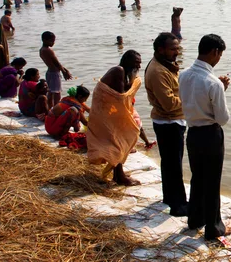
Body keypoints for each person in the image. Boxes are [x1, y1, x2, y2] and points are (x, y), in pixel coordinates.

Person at [178, 34, 231, 240]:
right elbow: (222, 117)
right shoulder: (213, 83)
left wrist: (220, 89)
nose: (219, 59)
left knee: (197, 177)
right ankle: (213, 227)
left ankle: (196, 218)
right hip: (210, 134)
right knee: (212, 180)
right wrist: (222, 91)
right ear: (214, 52)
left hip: (192, 132)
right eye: (219, 55)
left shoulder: (183, 75)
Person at [145, 32, 188, 217]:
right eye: (172, 49)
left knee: (171, 163)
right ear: (160, 49)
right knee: (173, 165)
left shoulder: (165, 65)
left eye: (177, 48)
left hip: (170, 121)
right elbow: (169, 104)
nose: (176, 52)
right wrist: (191, 99)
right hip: (168, 122)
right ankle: (178, 205)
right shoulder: (157, 71)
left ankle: (170, 197)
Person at [86, 50, 143, 186]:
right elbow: (120, 95)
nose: (138, 67)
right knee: (119, 139)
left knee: (119, 139)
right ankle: (119, 176)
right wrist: (134, 81)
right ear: (127, 61)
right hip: (103, 111)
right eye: (136, 63)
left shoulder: (125, 73)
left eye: (140, 64)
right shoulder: (119, 71)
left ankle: (118, 174)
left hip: (109, 110)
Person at [39, 31, 72, 107]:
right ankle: (56, 108)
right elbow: (57, 63)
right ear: (44, 40)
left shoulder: (42, 50)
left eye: (53, 41)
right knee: (57, 93)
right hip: (54, 73)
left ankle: (50, 107)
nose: (53, 43)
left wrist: (65, 69)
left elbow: (55, 63)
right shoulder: (48, 50)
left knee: (50, 92)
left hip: (49, 72)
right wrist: (64, 72)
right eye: (51, 41)